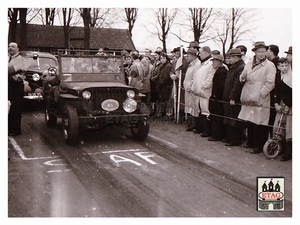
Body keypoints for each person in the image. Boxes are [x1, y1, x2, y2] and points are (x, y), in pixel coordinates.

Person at [238, 41, 276, 154]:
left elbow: (270, 83)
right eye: (259, 51)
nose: (261, 54)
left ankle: (259, 146)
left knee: (260, 122)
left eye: (263, 51)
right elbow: (244, 74)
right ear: (255, 52)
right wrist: (242, 78)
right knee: (250, 120)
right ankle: (251, 142)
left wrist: (261, 93)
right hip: (249, 93)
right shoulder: (249, 63)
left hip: (260, 96)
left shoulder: (269, 65)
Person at [222, 48, 245, 146]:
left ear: (236, 57)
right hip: (228, 97)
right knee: (229, 117)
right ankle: (230, 137)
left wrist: (233, 97)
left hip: (234, 98)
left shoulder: (240, 68)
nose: (229, 59)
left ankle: (235, 139)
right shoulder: (234, 67)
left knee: (234, 119)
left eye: (230, 57)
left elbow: (237, 84)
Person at [191, 46, 215, 137]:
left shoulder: (210, 63)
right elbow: (196, 76)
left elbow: (210, 78)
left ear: (206, 53)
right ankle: (200, 127)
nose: (199, 55)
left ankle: (206, 130)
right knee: (200, 110)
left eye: (200, 53)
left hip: (205, 91)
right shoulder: (202, 63)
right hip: (198, 92)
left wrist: (203, 87)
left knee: (206, 111)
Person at [272, 57, 292, 161]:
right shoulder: (278, 75)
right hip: (281, 103)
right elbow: (276, 90)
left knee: (289, 128)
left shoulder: (292, 77)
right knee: (278, 125)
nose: (284, 68)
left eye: (286, 65)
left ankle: (289, 153)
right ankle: (280, 148)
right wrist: (276, 103)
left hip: (291, 104)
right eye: (282, 66)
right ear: (278, 67)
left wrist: (289, 105)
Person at [8, 42, 27, 136]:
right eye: (9, 46)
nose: (10, 48)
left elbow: (21, 74)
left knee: (15, 108)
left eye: (13, 47)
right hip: (9, 84)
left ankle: (15, 130)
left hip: (16, 85)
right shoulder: (8, 58)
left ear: (18, 49)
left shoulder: (20, 59)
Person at [208, 54, 228, 141]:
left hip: (218, 98)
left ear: (218, 62)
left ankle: (217, 135)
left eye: (214, 62)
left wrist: (216, 95)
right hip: (216, 97)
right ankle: (216, 134)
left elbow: (220, 86)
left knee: (217, 117)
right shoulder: (219, 71)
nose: (212, 64)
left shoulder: (222, 72)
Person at [182, 48, 201, 131]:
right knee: (189, 106)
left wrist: (190, 87)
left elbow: (195, 77)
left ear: (193, 56)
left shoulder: (197, 65)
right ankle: (190, 122)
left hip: (191, 90)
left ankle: (194, 123)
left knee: (193, 106)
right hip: (187, 89)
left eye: (188, 56)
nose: (187, 57)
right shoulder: (190, 64)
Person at [151, 52, 173, 117]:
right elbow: (158, 75)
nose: (162, 60)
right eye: (161, 58)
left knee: (164, 99)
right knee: (161, 100)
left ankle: (164, 114)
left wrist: (160, 83)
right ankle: (161, 113)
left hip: (165, 86)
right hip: (161, 85)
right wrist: (153, 79)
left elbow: (166, 77)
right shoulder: (162, 66)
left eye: (163, 58)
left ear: (166, 59)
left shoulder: (168, 66)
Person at [266, 44, 280, 138]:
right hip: (271, 94)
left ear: (271, 52)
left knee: (272, 118)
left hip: (273, 94)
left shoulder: (274, 64)